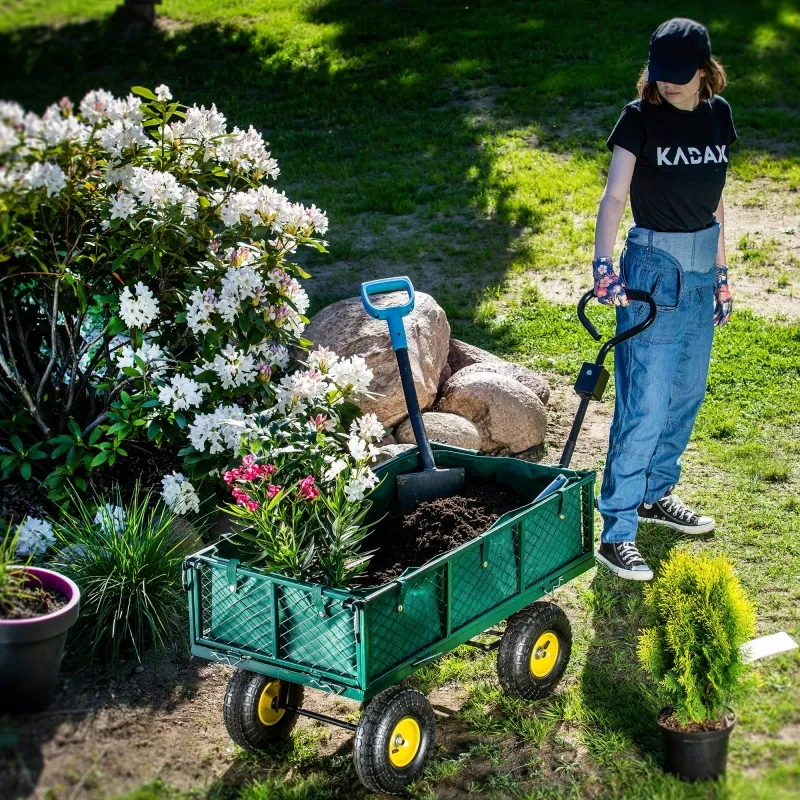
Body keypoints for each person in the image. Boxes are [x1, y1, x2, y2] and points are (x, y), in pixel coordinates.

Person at [592, 18, 736, 581]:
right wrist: (604, 266)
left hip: (701, 269)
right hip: (654, 268)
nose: (668, 85)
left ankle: (655, 494)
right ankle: (617, 529)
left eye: (679, 76)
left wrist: (723, 272)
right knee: (645, 403)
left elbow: (718, 201)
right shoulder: (638, 118)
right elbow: (613, 197)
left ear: (704, 70)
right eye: (661, 74)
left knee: (684, 395)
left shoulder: (719, 117)